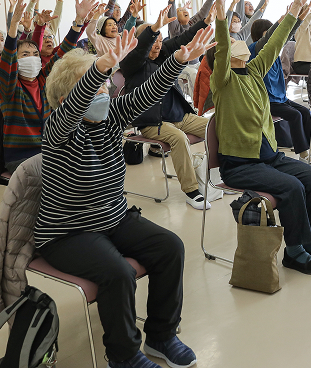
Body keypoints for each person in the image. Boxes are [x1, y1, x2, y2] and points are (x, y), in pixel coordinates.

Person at [38, 26, 211, 368]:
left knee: (170, 247)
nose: (103, 91)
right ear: (64, 100)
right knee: (118, 273)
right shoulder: (57, 127)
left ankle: (162, 336)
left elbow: (145, 94)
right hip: (67, 232)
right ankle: (124, 355)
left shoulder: (108, 119)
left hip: (112, 218)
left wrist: (177, 59)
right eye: (93, 85)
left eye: (104, 84)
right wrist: (100, 67)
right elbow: (74, 109)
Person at [207, 0, 311, 275]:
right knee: (292, 187)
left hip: (269, 157)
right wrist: (222, 5)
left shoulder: (253, 71)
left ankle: (309, 242)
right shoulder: (223, 81)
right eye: (231, 47)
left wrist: (295, 9)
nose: (240, 44)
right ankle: (294, 250)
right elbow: (225, 45)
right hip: (240, 164)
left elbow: (274, 41)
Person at [120, 8, 215, 210]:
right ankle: (192, 191)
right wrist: (153, 29)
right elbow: (141, 50)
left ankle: (223, 174)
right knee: (179, 138)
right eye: (153, 40)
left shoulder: (163, 53)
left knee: (216, 127)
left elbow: (184, 37)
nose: (157, 45)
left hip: (179, 116)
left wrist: (205, 22)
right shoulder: (131, 64)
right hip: (152, 122)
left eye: (160, 40)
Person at [0, 0, 88, 171]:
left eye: (35, 54)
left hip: (49, 151)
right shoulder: (10, 88)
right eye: (25, 55)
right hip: (21, 157)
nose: (32, 58)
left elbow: (63, 51)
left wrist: (78, 21)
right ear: (16, 60)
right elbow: (6, 61)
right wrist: (14, 26)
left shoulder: (43, 80)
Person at [249, 13, 311, 165]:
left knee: (306, 112)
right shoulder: (256, 49)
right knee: (295, 115)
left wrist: (297, 15)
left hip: (280, 98)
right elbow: (273, 39)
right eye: (270, 32)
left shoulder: (273, 52)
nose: (275, 35)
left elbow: (286, 35)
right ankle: (303, 154)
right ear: (261, 35)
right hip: (266, 101)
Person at [167, 0, 215, 96]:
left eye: (184, 9)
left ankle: (212, 102)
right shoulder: (175, 29)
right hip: (182, 66)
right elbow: (171, 14)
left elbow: (203, 12)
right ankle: (198, 106)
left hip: (196, 62)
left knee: (210, 70)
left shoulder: (191, 23)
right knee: (193, 74)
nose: (184, 10)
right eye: (180, 10)